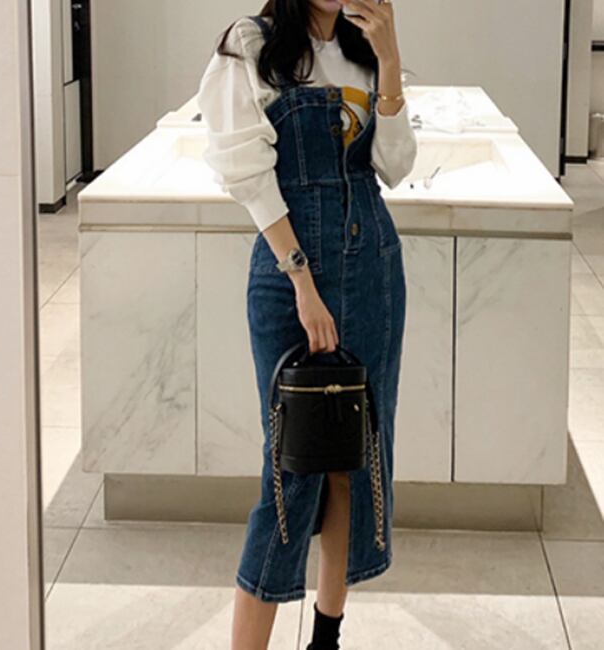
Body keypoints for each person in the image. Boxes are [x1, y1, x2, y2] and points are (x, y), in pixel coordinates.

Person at [196, 1, 417, 648]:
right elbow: (245, 173)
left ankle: (327, 638)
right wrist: (302, 282)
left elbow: (394, 167)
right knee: (290, 474)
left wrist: (391, 59)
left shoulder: (363, 53)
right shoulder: (251, 46)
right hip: (291, 277)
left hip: (373, 270)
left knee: (357, 461)